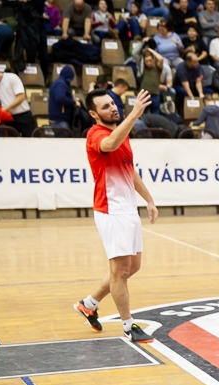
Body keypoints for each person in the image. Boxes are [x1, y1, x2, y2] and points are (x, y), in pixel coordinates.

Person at [73, 88, 158, 343]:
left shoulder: (121, 133)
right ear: (94, 114)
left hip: (128, 209)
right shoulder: (96, 134)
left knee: (133, 266)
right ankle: (129, 326)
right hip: (110, 210)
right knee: (120, 272)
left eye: (112, 103)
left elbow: (129, 170)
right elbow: (109, 145)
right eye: (105, 106)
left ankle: (89, 304)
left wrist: (149, 199)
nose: (112, 108)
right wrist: (134, 114)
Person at [0, 64, 37, 138]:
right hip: (8, 118)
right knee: (11, 141)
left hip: (23, 115)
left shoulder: (12, 77)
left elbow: (21, 97)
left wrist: (7, 108)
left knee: (31, 139)